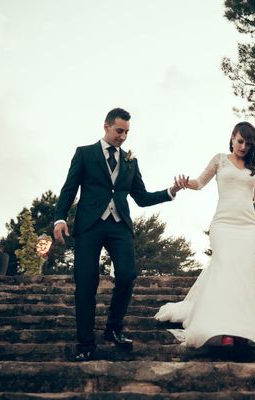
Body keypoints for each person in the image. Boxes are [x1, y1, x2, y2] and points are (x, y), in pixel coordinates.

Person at [53, 107, 184, 361]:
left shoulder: (130, 161)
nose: (123, 136)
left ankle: (113, 328)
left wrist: (170, 191)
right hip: (89, 225)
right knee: (86, 283)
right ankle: (85, 344)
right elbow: (68, 189)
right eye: (119, 130)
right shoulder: (85, 154)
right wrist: (60, 218)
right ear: (106, 126)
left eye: (127, 132)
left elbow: (142, 198)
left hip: (119, 225)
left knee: (127, 274)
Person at [155, 121, 255, 347]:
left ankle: (242, 329)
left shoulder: (254, 168)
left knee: (243, 274)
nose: (243, 147)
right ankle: (219, 328)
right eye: (240, 141)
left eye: (248, 144)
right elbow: (200, 182)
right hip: (223, 224)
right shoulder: (220, 160)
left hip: (249, 227)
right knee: (224, 267)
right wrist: (184, 184)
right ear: (232, 137)